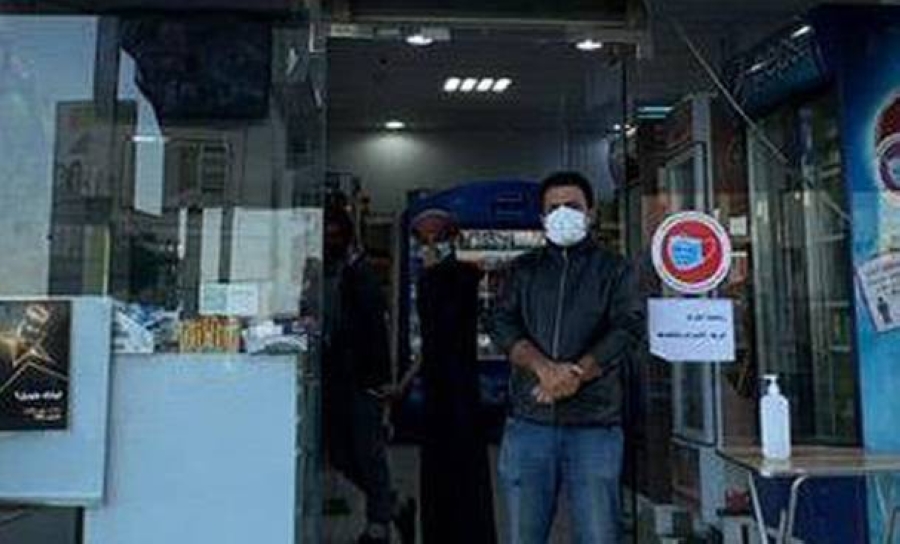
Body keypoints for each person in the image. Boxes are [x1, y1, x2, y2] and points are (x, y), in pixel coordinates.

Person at [489, 171, 645, 544]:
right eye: (553, 208)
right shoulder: (523, 269)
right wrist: (543, 368)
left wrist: (577, 373)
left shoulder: (615, 269)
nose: (563, 214)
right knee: (523, 536)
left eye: (572, 206)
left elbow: (628, 327)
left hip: (594, 425)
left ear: (590, 213)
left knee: (598, 535)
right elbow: (500, 322)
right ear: (542, 218)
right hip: (530, 422)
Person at [401, 208, 497, 544]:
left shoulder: (449, 279)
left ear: (451, 239)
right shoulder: (451, 277)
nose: (428, 246)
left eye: (436, 238)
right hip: (451, 391)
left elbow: (440, 332)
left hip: (451, 393)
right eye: (422, 239)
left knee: (451, 476)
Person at [321, 204, 413, 544]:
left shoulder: (360, 274)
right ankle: (394, 504)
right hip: (336, 378)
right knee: (341, 454)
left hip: (362, 380)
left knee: (367, 452)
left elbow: (375, 331)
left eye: (334, 234)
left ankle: (378, 526)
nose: (329, 240)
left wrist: (382, 382)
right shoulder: (329, 272)